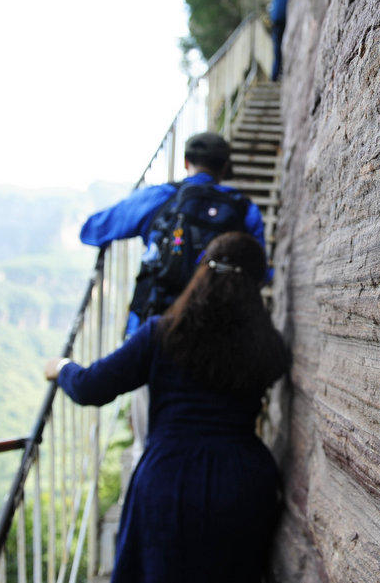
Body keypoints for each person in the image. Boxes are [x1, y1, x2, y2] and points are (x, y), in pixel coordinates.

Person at [45, 232, 289, 583]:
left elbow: (90, 389)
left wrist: (62, 367)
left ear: (202, 271)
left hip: (169, 479)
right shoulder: (270, 347)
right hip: (244, 481)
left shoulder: (162, 333)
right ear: (257, 284)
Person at [80, 131, 268, 462]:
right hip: (221, 336)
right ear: (225, 167)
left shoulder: (160, 198)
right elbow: (262, 273)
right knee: (214, 434)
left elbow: (93, 229)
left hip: (155, 333)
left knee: (150, 442)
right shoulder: (244, 209)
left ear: (185, 163)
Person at [268, 0, 291, 82]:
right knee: (283, 49)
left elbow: (271, 10)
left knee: (277, 51)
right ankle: (279, 73)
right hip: (283, 25)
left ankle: (274, 76)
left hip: (275, 25)